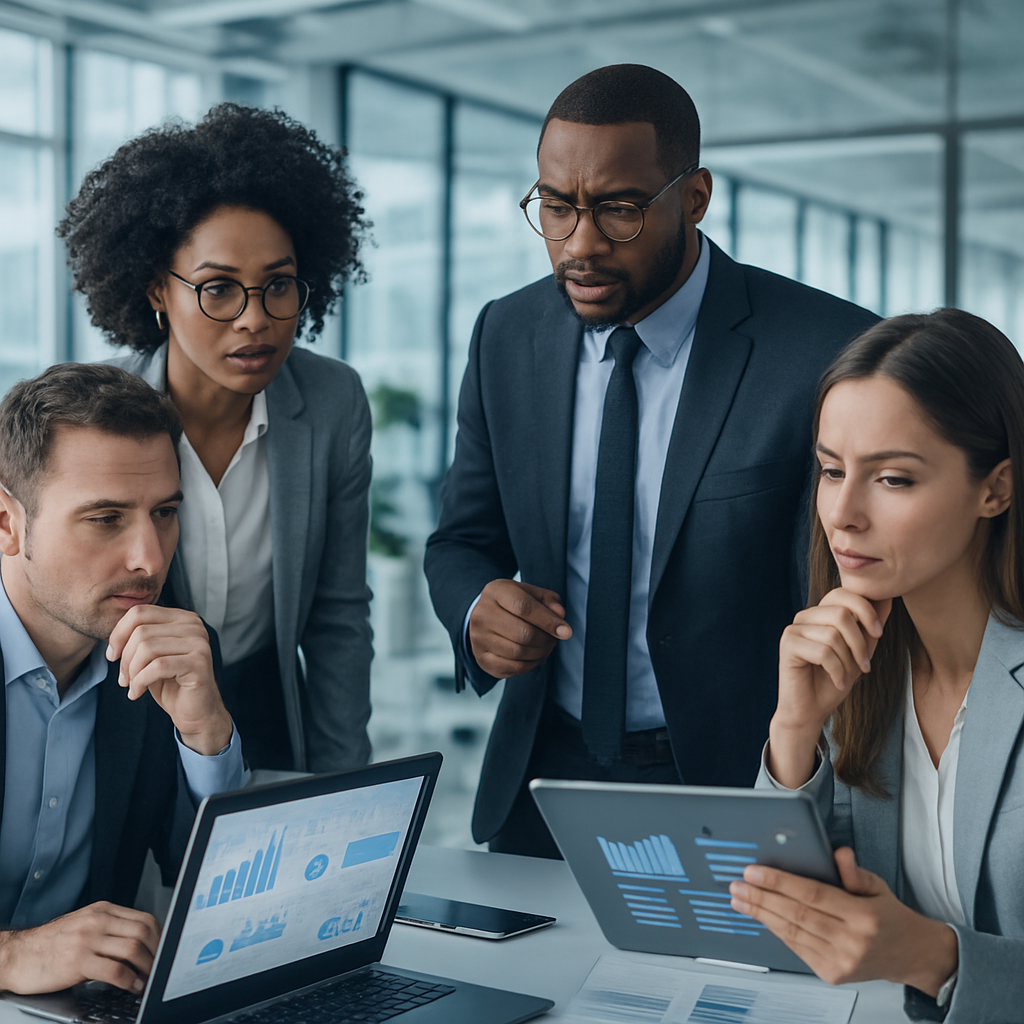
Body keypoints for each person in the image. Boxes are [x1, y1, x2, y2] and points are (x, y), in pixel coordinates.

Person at [424, 63, 879, 857]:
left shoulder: (824, 353)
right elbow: (462, 539)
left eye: (620, 210)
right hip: (544, 779)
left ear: (694, 197)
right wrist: (475, 611)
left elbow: (859, 591)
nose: (581, 244)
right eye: (556, 207)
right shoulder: (507, 334)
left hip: (738, 782)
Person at [58, 103, 373, 773]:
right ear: (155, 291)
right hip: (126, 706)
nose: (254, 319)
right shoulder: (93, 419)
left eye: (278, 286)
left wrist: (347, 780)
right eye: (218, 289)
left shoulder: (332, 403)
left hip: (265, 706)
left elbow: (338, 617)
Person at [738, 309, 1024, 1024]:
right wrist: (795, 731)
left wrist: (936, 960)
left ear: (996, 488)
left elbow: (908, 956)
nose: (843, 513)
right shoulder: (864, 671)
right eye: (832, 470)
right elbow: (794, 921)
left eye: (892, 479)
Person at [0, 363, 246, 995]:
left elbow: (234, 898)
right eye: (106, 518)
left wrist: (206, 737)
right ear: (7, 523)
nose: (150, 557)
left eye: (165, 512)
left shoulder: (173, 652)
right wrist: (10, 957)